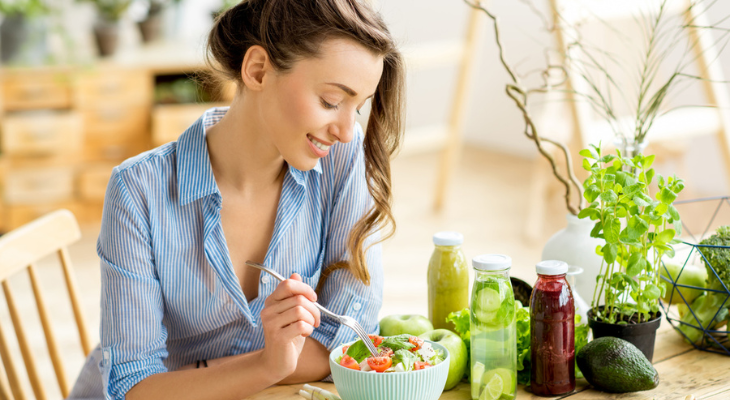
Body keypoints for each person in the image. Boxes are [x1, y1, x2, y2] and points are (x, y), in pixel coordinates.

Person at [67, 0, 405, 399]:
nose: (348, 131)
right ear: (258, 70)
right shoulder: (139, 190)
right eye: (331, 101)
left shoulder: (341, 162)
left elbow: (352, 341)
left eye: (358, 107)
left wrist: (199, 375)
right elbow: (135, 388)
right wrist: (269, 363)